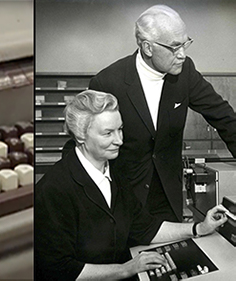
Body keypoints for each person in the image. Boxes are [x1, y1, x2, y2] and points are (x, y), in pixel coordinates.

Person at [64, 5, 236, 222]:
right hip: (123, 197)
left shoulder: (185, 73)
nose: (182, 54)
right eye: (174, 47)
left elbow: (224, 117)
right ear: (147, 47)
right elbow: (84, 142)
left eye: (185, 44)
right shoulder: (107, 81)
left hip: (168, 196)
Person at [35, 90, 228, 281]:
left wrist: (199, 228)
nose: (119, 140)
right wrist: (126, 269)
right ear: (80, 135)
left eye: (120, 129)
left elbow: (145, 227)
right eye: (108, 133)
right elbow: (58, 270)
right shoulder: (53, 189)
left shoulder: (116, 173)